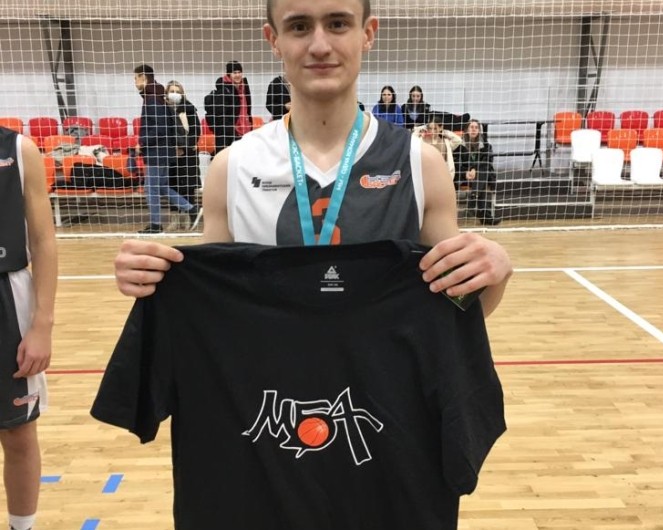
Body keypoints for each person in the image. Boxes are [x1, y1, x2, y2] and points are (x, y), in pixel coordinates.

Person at [115, 0, 511, 316]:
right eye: (300, 26)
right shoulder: (230, 168)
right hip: (272, 388)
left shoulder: (420, 163)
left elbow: (459, 307)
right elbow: (214, 310)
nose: (320, 45)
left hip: (384, 390)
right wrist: (153, 279)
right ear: (274, 40)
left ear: (367, 34)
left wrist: (494, 275)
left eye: (338, 23)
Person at [0, 126, 58, 530]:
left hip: (8, 297)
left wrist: (42, 324)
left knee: (18, 434)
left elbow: (43, 240)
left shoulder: (18, 150)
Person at [133, 64, 197, 234]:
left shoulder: (152, 98)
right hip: (162, 150)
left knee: (150, 188)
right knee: (159, 186)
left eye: (136, 78)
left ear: (143, 77)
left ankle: (156, 225)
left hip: (157, 151)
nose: (135, 82)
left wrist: (142, 142)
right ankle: (190, 208)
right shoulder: (157, 95)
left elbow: (159, 128)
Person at [165, 80, 201, 230]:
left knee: (187, 187)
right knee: (173, 185)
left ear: (182, 94)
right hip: (171, 154)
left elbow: (196, 131)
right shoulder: (163, 110)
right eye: (172, 91)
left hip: (188, 155)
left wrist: (183, 147)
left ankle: (188, 219)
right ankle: (174, 220)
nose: (174, 94)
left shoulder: (189, 109)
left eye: (177, 91)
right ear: (166, 93)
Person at [456, 119, 500, 226]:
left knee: (483, 171)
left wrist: (475, 169)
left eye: (476, 127)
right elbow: (456, 162)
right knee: (481, 181)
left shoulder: (486, 145)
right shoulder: (459, 145)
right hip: (466, 177)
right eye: (471, 127)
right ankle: (485, 216)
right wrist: (465, 173)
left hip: (481, 175)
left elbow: (488, 161)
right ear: (467, 129)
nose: (474, 129)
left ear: (479, 130)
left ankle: (473, 199)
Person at [204, 61, 253, 154]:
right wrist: (232, 131)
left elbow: (247, 110)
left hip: (244, 132)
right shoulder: (223, 89)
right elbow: (220, 115)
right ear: (229, 74)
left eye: (239, 72)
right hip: (228, 135)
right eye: (234, 72)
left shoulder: (244, 87)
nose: (237, 75)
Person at [413, 114, 463, 179]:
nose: (432, 131)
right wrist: (422, 127)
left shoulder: (445, 142)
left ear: (441, 127)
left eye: (435, 128)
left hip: (442, 175)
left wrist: (444, 132)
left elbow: (458, 140)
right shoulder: (422, 140)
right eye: (430, 128)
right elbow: (412, 140)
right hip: (426, 175)